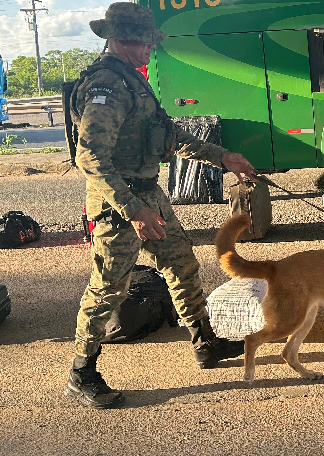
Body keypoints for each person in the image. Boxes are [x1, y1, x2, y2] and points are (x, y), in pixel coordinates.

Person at [64, 2, 256, 409]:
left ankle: (204, 341)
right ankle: (82, 371)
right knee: (108, 287)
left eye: (150, 42)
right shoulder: (106, 87)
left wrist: (223, 157)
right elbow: (91, 159)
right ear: (116, 39)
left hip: (148, 193)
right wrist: (134, 210)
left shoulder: (133, 81)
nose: (148, 49)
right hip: (117, 203)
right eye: (140, 42)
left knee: (181, 261)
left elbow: (169, 135)